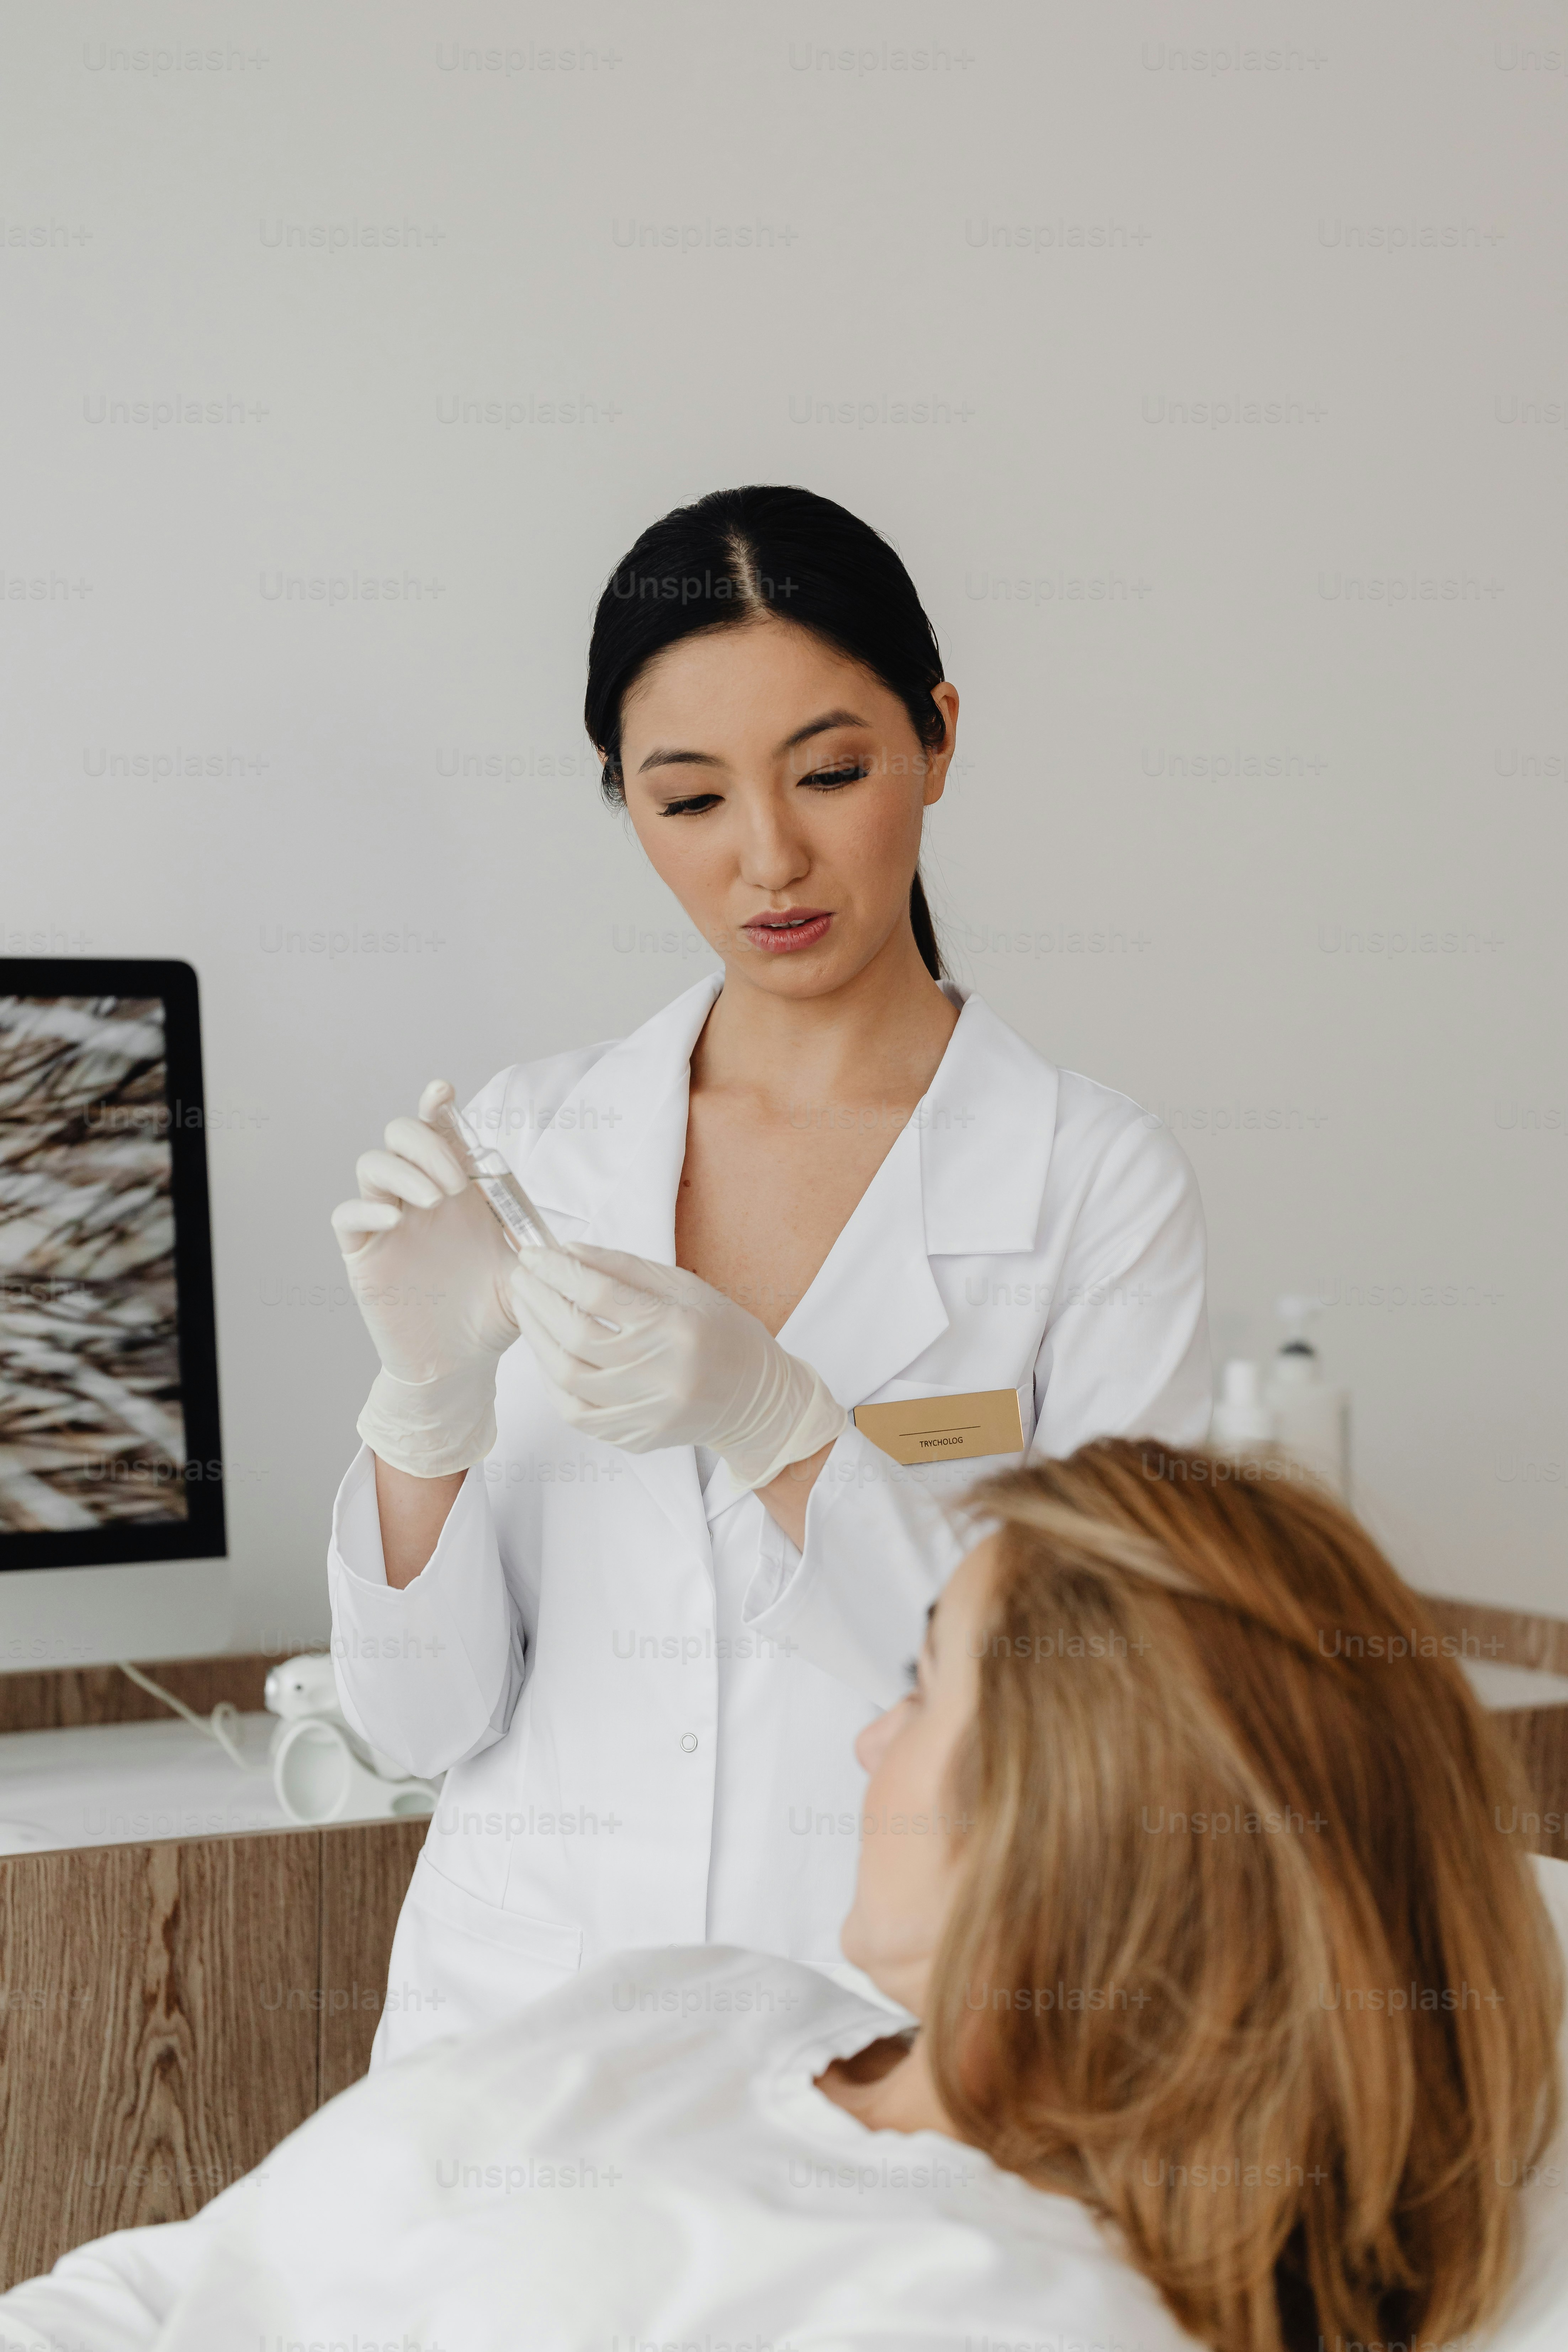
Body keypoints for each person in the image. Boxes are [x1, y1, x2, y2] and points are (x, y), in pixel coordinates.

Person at [4, 1442, 1565, 2352]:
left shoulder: (1010, 2307)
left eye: (920, 1684)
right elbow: (187, 2280)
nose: (871, 1739)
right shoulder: (697, 1999)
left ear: (1068, 1830)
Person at [327, 484, 1211, 2063]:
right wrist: (424, 1409)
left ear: (937, 736)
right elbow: (416, 1727)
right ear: (624, 800)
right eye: (689, 799)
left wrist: (791, 1438)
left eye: (831, 772)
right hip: (519, 2042)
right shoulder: (528, 1145)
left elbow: (1097, 1718)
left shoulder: (1092, 1181)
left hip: (888, 2041)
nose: (771, 857)